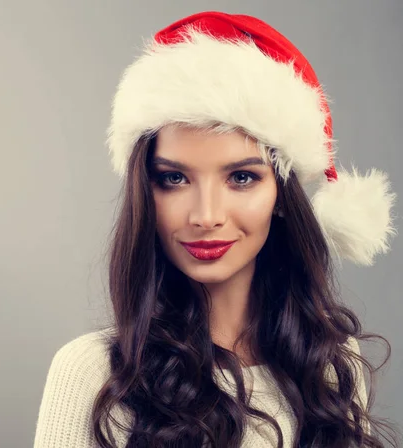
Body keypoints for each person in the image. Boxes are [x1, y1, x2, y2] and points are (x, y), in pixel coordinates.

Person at [33, 11, 399, 448]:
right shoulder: (94, 374)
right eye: (174, 178)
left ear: (282, 197)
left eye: (241, 178)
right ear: (144, 193)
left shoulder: (334, 366)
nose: (205, 216)